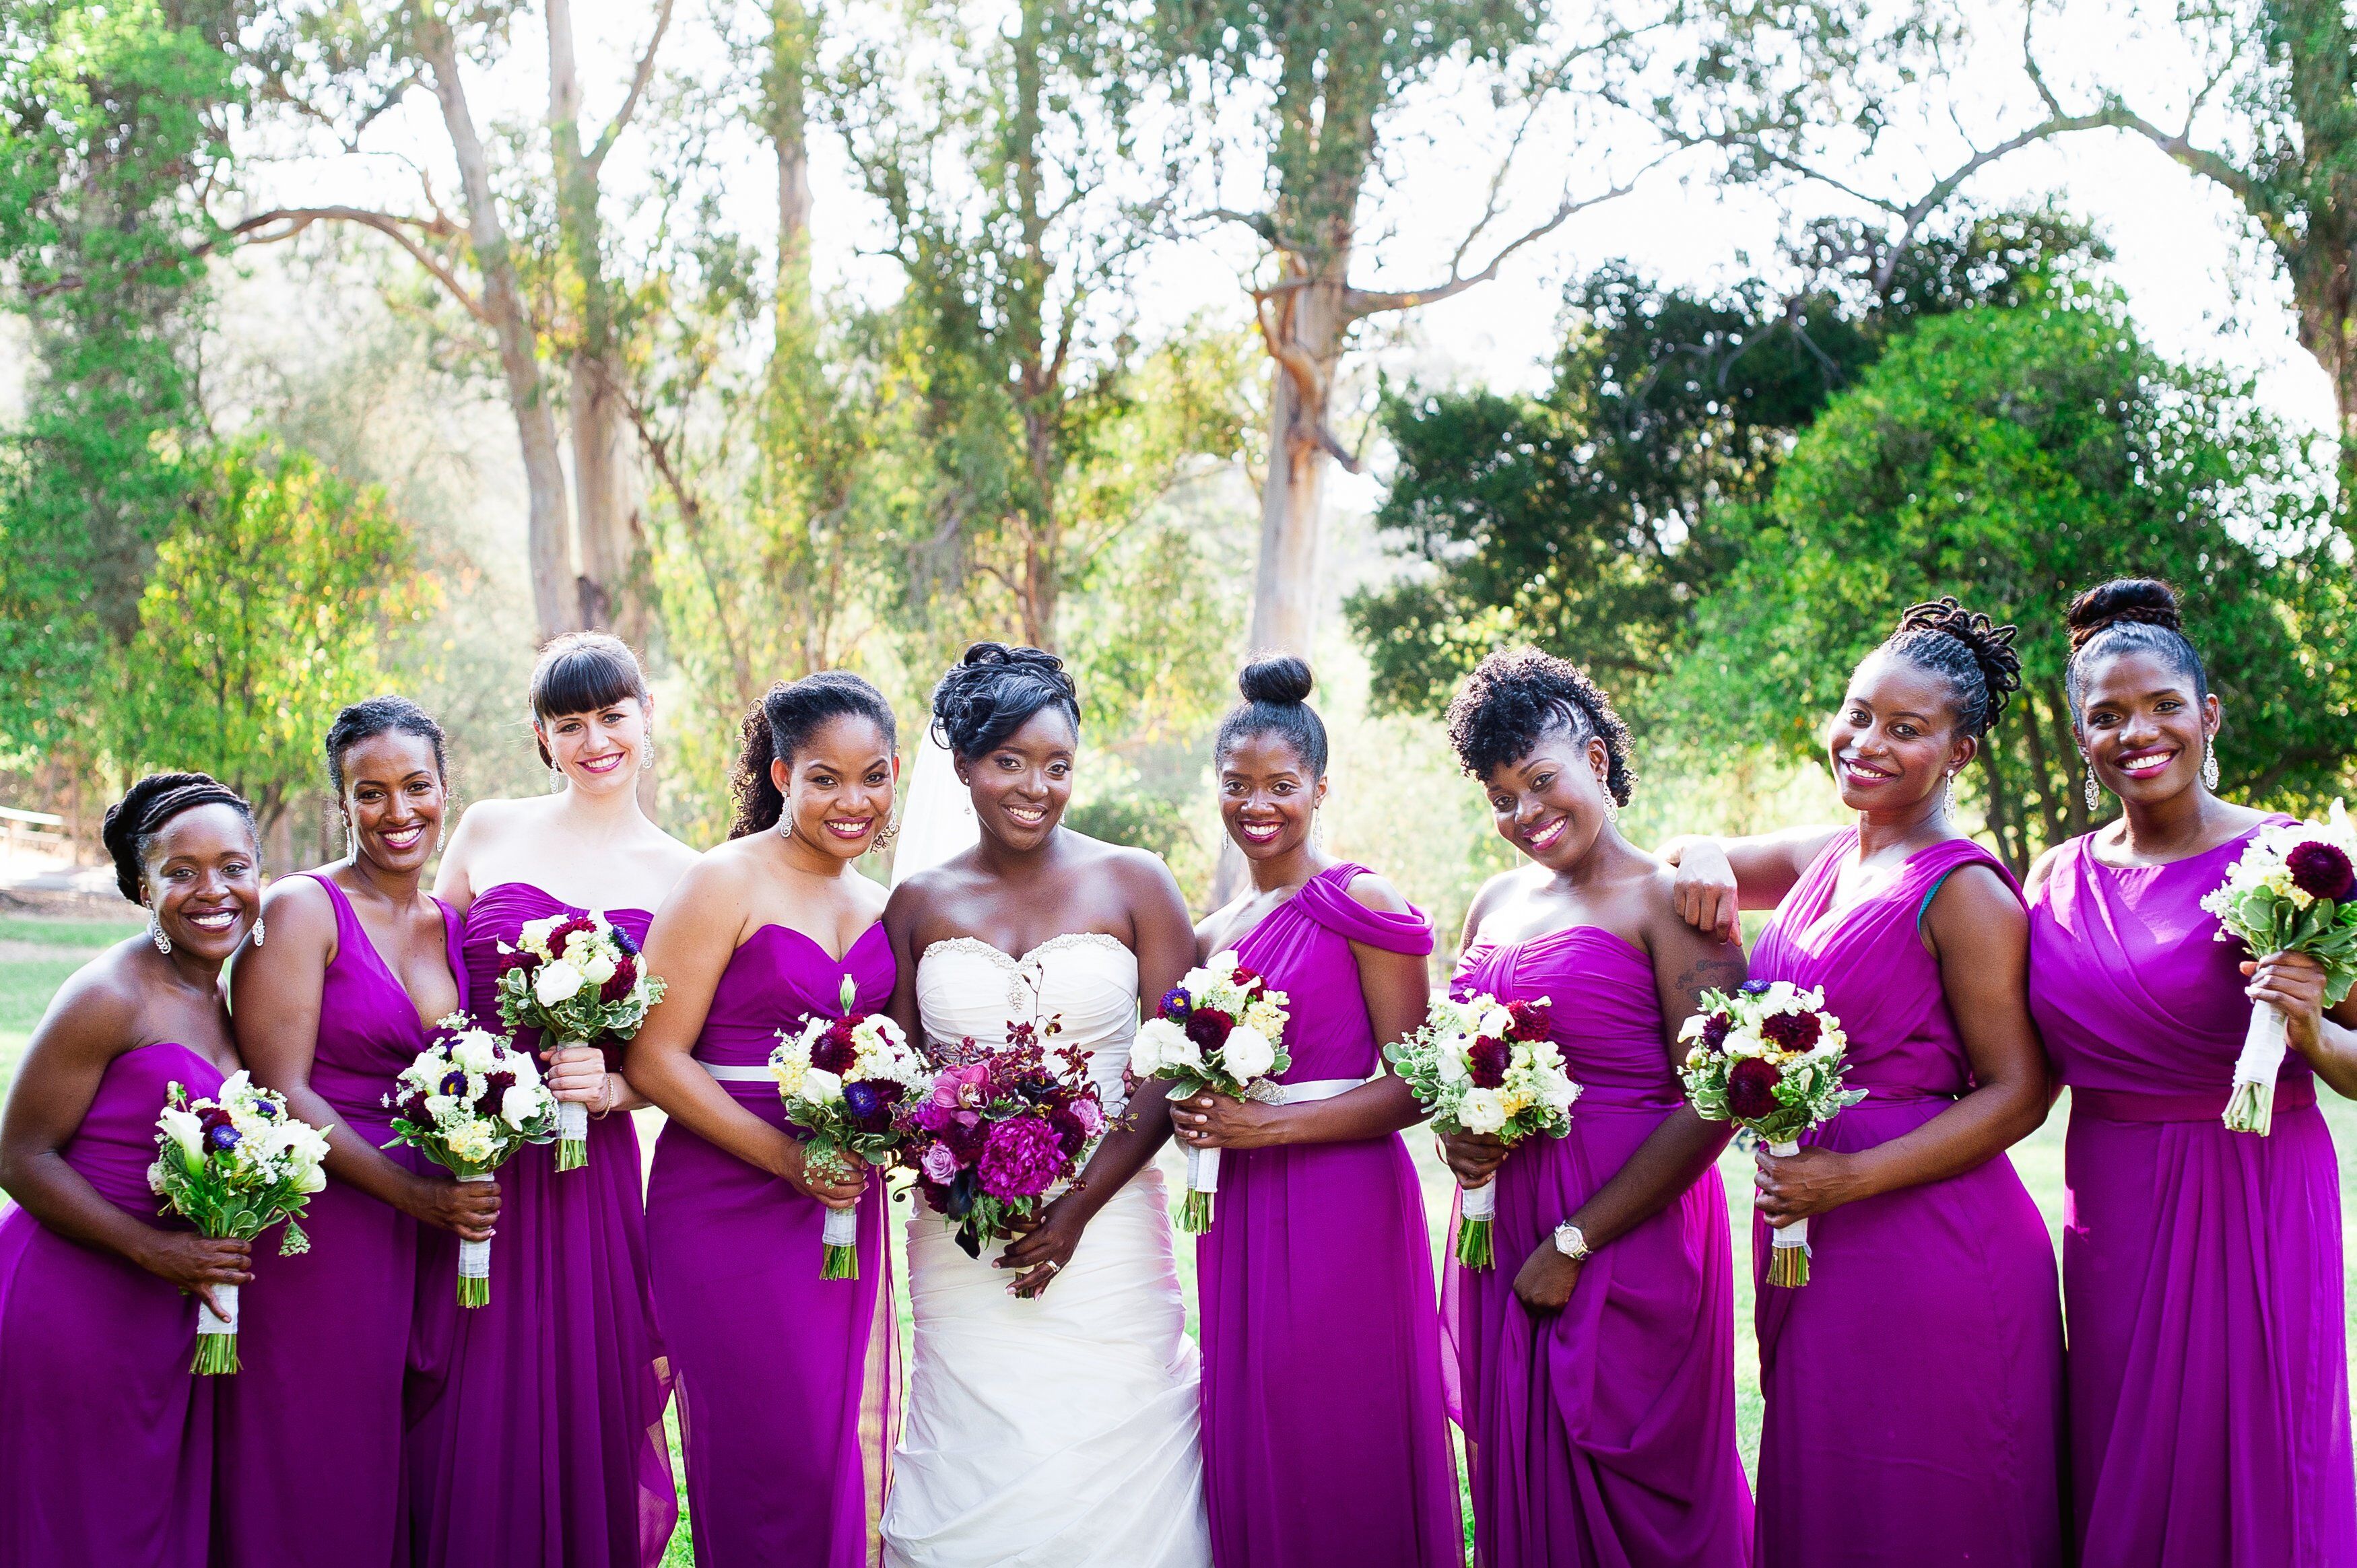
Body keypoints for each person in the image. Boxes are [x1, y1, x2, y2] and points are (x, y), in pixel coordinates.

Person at [1666, 598, 2066, 1568]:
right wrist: (1707, 852)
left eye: (1906, 728)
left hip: (1930, 1245)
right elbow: (1676, 856)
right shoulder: (1826, 853)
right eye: (1857, 713)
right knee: (1834, 1486)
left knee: (1939, 1503)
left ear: (1960, 752)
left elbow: (2022, 1090)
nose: (1865, 742)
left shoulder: (1965, 889)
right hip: (1810, 1236)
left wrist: (1851, 1180)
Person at [2026, 578, 2357, 1567]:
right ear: (2083, 737)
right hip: (2115, 1208)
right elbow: (2019, 1068)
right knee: (2122, 1451)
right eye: (2108, 715)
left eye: (2164, 705)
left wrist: (2309, 1029)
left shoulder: (2299, 862)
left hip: (2258, 1188)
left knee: (2260, 1444)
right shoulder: (2051, 878)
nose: (2140, 731)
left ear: (2207, 715)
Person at [878, 642, 1210, 1567]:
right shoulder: (917, 903)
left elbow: (1169, 1067)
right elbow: (896, 1077)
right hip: (961, 1235)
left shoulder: (1135, 883)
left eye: (1057, 765)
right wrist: (949, 1165)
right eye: (1009, 762)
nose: (1036, 786)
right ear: (965, 767)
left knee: (1113, 1440)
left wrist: (1075, 1208)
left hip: (1108, 1231)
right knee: (976, 1442)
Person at [1428, 649, 1753, 1568]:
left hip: (1623, 1226)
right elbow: (1458, 1053)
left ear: (1598, 762)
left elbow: (1716, 1102)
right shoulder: (1494, 899)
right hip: (1500, 1221)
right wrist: (1459, 1129)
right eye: (1500, 797)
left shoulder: (1674, 900)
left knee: (1637, 1486)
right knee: (1514, 1471)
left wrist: (1577, 1241)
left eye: (1540, 782)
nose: (1524, 814)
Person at [1168, 655, 1461, 1568]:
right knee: (1261, 1405)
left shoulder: (1358, 902)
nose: (1257, 805)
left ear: (1321, 788)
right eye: (1237, 785)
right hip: (1240, 1206)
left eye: (1281, 786)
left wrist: (1272, 1127)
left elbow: (1421, 1083)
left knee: (1343, 1407)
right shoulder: (1211, 935)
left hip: (1344, 1199)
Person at [413, 632, 694, 1568]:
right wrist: (457, 1086)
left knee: (583, 1388)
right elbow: (422, 970)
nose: (594, 741)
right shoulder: (491, 829)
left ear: (646, 714)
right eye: (569, 724)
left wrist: (615, 1086)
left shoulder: (684, 875)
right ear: (542, 734)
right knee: (468, 1384)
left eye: (612, 717)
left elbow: (677, 1054)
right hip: (472, 1153)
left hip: (586, 1176)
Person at [219, 698, 498, 1567]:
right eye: (368, 793)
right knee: (317, 1454)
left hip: (426, 1230)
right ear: (341, 802)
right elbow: (280, 1087)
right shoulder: (303, 910)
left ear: (446, 788)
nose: (397, 811)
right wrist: (413, 1192)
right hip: (325, 1228)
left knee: (399, 1450)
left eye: (416, 786)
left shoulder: (450, 924)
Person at [633, 673, 902, 1567]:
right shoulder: (724, 878)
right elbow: (655, 1056)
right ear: (783, 775)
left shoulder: (883, 909)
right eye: (826, 777)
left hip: (837, 1204)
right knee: (763, 1447)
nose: (852, 800)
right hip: (723, 1202)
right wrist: (785, 1159)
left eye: (873, 776)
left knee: (828, 1445)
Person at [0, 774, 261, 1566]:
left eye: (233, 866)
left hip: (170, 1314)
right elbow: (18, 1153)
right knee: (79, 1528)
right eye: (180, 872)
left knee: (149, 1526)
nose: (211, 890)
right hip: (75, 1308)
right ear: (140, 886)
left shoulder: (233, 995)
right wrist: (155, 1252)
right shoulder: (108, 995)